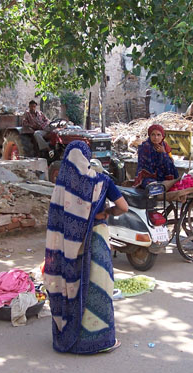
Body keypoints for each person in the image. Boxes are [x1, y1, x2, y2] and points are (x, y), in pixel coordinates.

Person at [44, 141, 129, 354]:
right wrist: (107, 212)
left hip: (67, 247)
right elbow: (123, 207)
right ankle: (99, 339)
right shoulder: (102, 181)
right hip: (96, 240)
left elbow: (57, 219)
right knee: (98, 288)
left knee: (71, 285)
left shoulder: (61, 186)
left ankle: (70, 335)